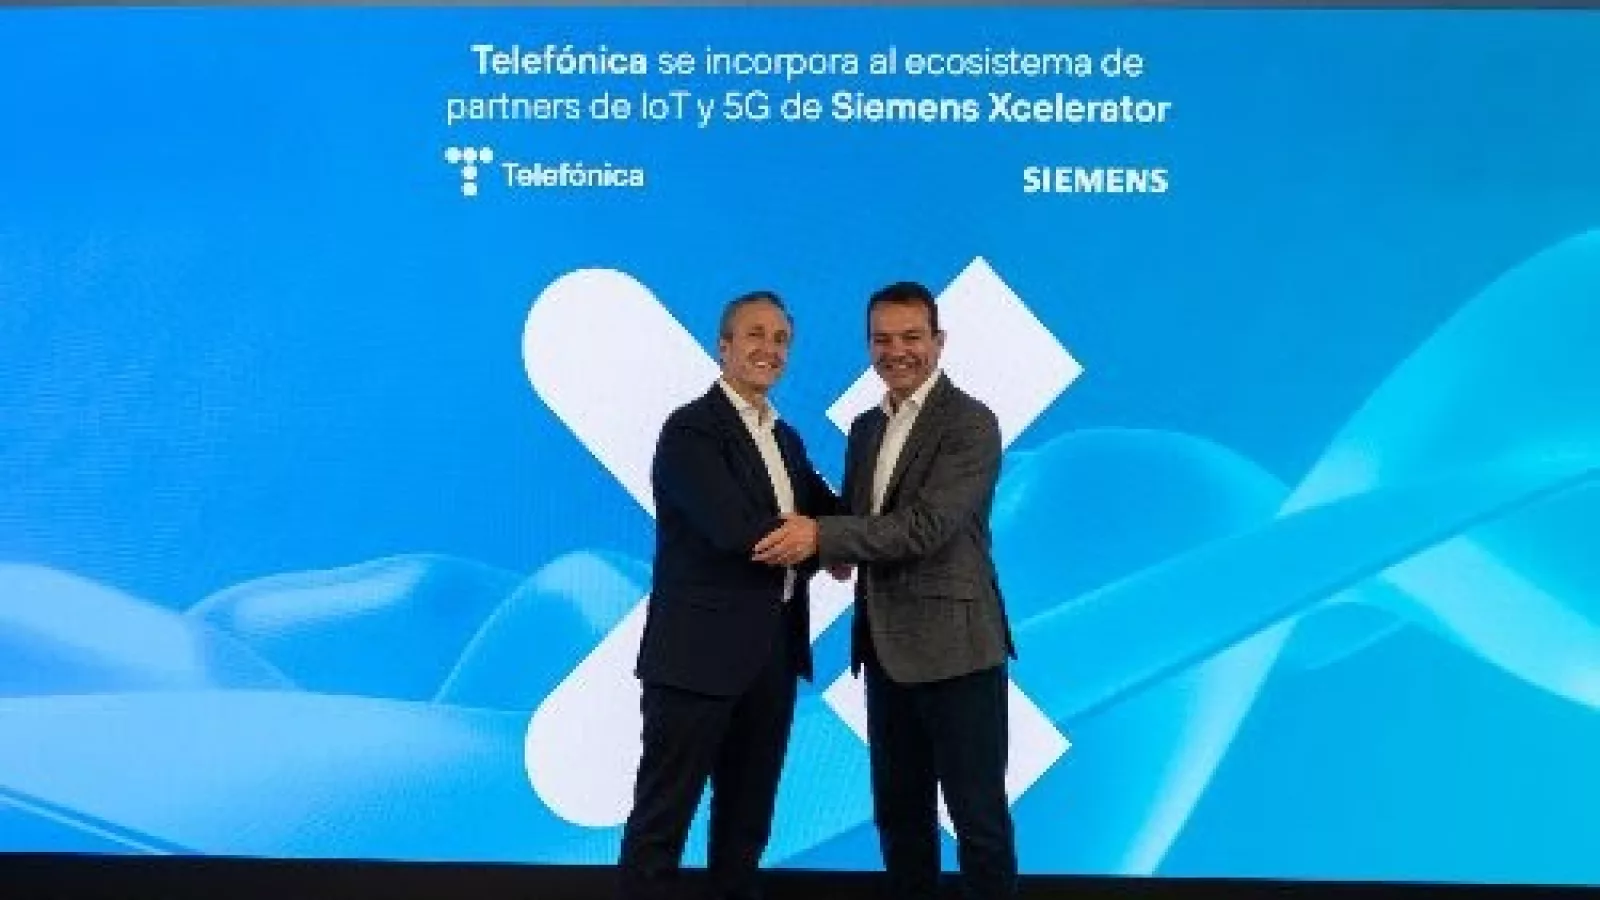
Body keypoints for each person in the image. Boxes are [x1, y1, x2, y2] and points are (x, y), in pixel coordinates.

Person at [751, 281, 1017, 900]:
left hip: (958, 652)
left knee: (977, 818)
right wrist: (833, 545)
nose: (897, 351)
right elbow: (861, 518)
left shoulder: (971, 423)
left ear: (939, 341)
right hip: (884, 652)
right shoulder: (866, 427)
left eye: (911, 337)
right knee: (899, 817)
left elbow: (924, 527)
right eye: (882, 339)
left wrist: (824, 537)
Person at [617, 290, 839, 900]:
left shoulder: (786, 439)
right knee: (663, 822)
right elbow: (736, 530)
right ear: (724, 346)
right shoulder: (691, 429)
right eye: (755, 334)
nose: (770, 349)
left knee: (747, 824)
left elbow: (828, 516)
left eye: (781, 339)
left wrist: (840, 537)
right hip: (696, 661)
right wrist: (819, 540)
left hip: (772, 658)